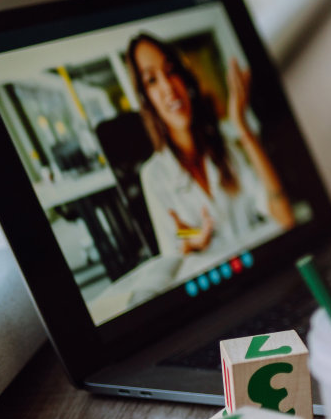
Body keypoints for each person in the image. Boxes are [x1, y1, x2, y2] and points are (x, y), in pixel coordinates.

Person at [126, 32, 295, 262]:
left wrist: (242, 126)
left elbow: (285, 217)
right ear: (146, 99)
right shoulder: (154, 175)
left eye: (171, 71)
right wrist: (194, 238)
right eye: (152, 80)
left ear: (185, 80)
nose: (168, 87)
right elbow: (174, 250)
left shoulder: (224, 145)